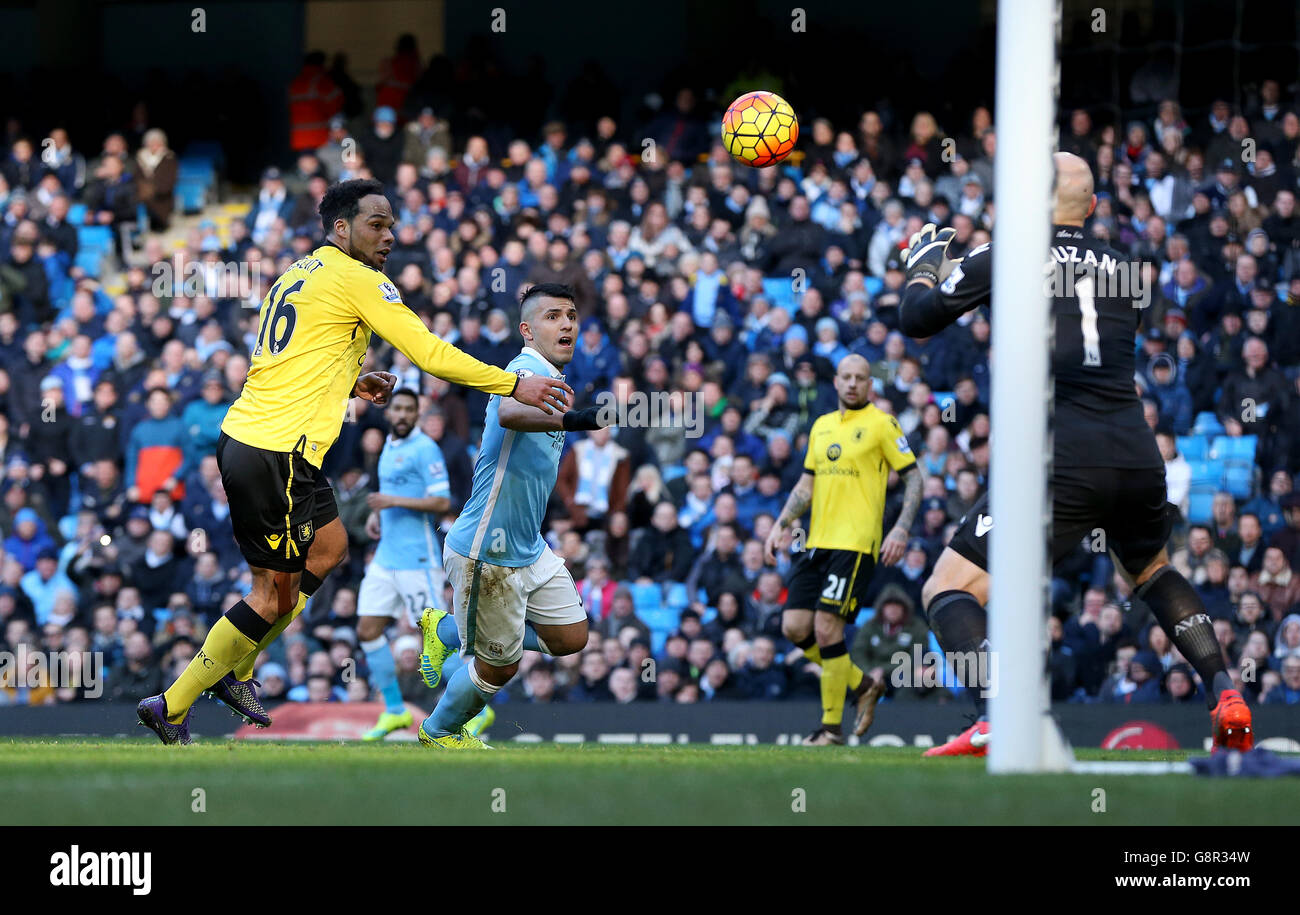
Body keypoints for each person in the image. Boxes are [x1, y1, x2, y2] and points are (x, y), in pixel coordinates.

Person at [136, 181, 573, 744]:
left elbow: (287, 359)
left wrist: (350, 380)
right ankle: (175, 701)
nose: (389, 236)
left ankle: (232, 669)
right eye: (377, 224)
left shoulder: (298, 272)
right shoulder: (361, 280)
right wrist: (515, 382)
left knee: (329, 549)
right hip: (277, 452)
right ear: (341, 228)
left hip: (264, 442)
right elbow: (429, 353)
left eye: (392, 225)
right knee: (272, 596)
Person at [898, 152, 1252, 756]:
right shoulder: (1125, 265)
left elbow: (915, 319)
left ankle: (995, 716)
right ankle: (1226, 691)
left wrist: (926, 270)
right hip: (1136, 452)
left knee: (947, 588)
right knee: (1152, 571)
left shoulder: (1006, 252)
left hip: (1061, 456)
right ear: (1091, 208)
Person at [415, 284, 618, 749]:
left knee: (571, 637)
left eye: (570, 315)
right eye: (553, 316)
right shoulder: (525, 369)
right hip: (488, 547)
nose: (566, 323)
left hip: (528, 546)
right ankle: (438, 731)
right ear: (527, 330)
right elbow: (508, 412)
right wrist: (577, 420)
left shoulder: (552, 376)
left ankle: (445, 628)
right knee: (499, 665)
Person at [764, 353, 924, 744]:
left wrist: (901, 529)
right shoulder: (820, 427)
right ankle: (863, 685)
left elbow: (915, 479)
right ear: (835, 382)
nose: (853, 383)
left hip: (855, 544)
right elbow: (806, 485)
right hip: (816, 541)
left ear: (870, 385)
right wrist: (780, 524)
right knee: (794, 627)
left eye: (861, 378)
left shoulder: (883, 424)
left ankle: (831, 729)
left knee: (826, 627)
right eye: (847, 377)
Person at [355, 388, 452, 741]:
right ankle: (395, 710)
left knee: (438, 638)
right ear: (387, 412)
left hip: (418, 559)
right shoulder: (389, 447)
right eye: (397, 408)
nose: (402, 415)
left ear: (417, 415)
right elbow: (387, 496)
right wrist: (377, 515)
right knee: (367, 630)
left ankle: (479, 709)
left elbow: (442, 501)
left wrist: (392, 500)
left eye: (410, 410)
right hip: (386, 557)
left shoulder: (425, 448)